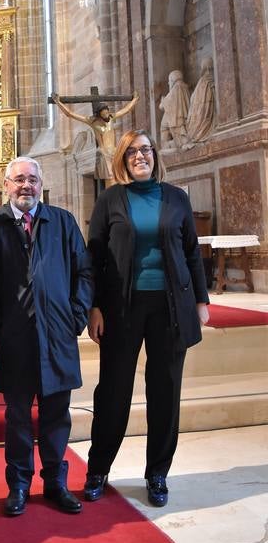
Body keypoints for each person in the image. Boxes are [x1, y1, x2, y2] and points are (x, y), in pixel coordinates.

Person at [84, 129, 210, 507]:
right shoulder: (110, 199)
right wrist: (94, 306)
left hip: (171, 306)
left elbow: (191, 251)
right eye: (132, 152)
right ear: (122, 160)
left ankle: (157, 473)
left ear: (155, 155)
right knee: (113, 391)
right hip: (123, 306)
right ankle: (98, 469)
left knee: (165, 391)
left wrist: (201, 300)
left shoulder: (175, 198)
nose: (141, 157)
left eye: (146, 150)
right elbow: (95, 257)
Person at [0, 156, 94, 517]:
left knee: (58, 415)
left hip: (58, 333)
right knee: (19, 417)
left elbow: (83, 272)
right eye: (19, 179)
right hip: (17, 337)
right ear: (6, 184)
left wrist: (75, 317)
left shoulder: (63, 221)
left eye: (33, 180)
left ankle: (56, 483)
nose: (26, 186)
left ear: (41, 185)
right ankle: (20, 485)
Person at [51, 91, 139, 187]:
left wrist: (134, 99)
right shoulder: (92, 121)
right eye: (104, 113)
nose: (106, 115)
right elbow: (70, 114)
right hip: (103, 153)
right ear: (99, 114)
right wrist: (58, 102)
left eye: (107, 111)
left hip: (114, 152)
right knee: (110, 179)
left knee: (121, 177)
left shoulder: (111, 118)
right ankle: (111, 199)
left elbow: (126, 110)